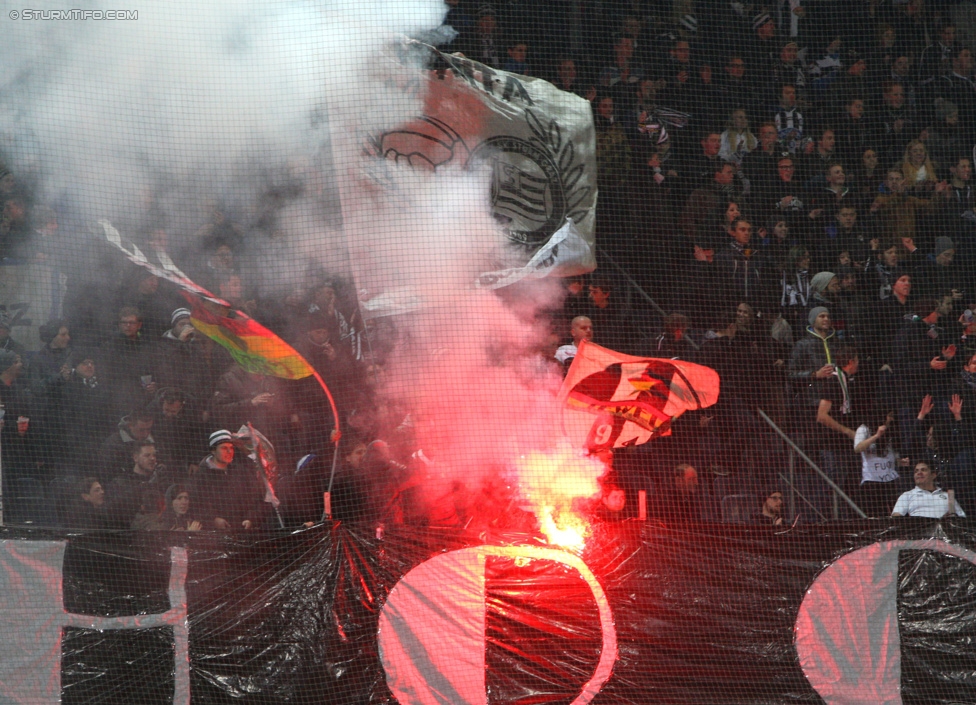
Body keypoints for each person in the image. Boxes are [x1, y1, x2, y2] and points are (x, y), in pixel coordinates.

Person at [190, 430, 265, 531]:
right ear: (213, 451)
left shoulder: (242, 473)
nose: (229, 452)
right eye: (224, 448)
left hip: (243, 532)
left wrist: (251, 519)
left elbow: (257, 500)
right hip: (215, 536)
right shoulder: (201, 476)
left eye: (231, 448)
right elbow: (196, 505)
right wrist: (213, 520)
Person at [853, 410, 908, 517]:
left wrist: (899, 461)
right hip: (872, 481)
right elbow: (858, 448)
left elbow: (892, 454)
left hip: (891, 479)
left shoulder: (891, 430)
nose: (891, 419)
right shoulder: (864, 429)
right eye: (889, 416)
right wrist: (876, 436)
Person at [891, 461, 966, 517]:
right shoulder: (907, 495)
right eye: (916, 471)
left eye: (923, 470)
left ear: (933, 475)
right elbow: (896, 518)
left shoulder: (948, 496)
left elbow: (961, 518)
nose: (919, 473)